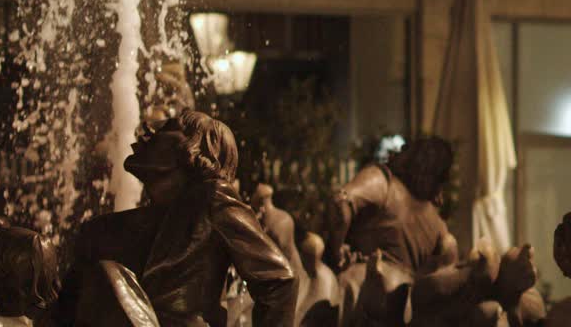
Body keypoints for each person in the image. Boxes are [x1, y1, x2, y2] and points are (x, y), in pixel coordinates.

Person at [56, 111, 295, 327]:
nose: (150, 130)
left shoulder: (211, 198)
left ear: (194, 149)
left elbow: (279, 280)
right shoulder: (105, 229)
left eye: (168, 126)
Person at [323, 137, 455, 276]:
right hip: (404, 295)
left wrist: (336, 252)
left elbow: (340, 203)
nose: (395, 153)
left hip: (359, 289)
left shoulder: (382, 182)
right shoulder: (438, 225)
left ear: (414, 158)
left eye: (404, 149)